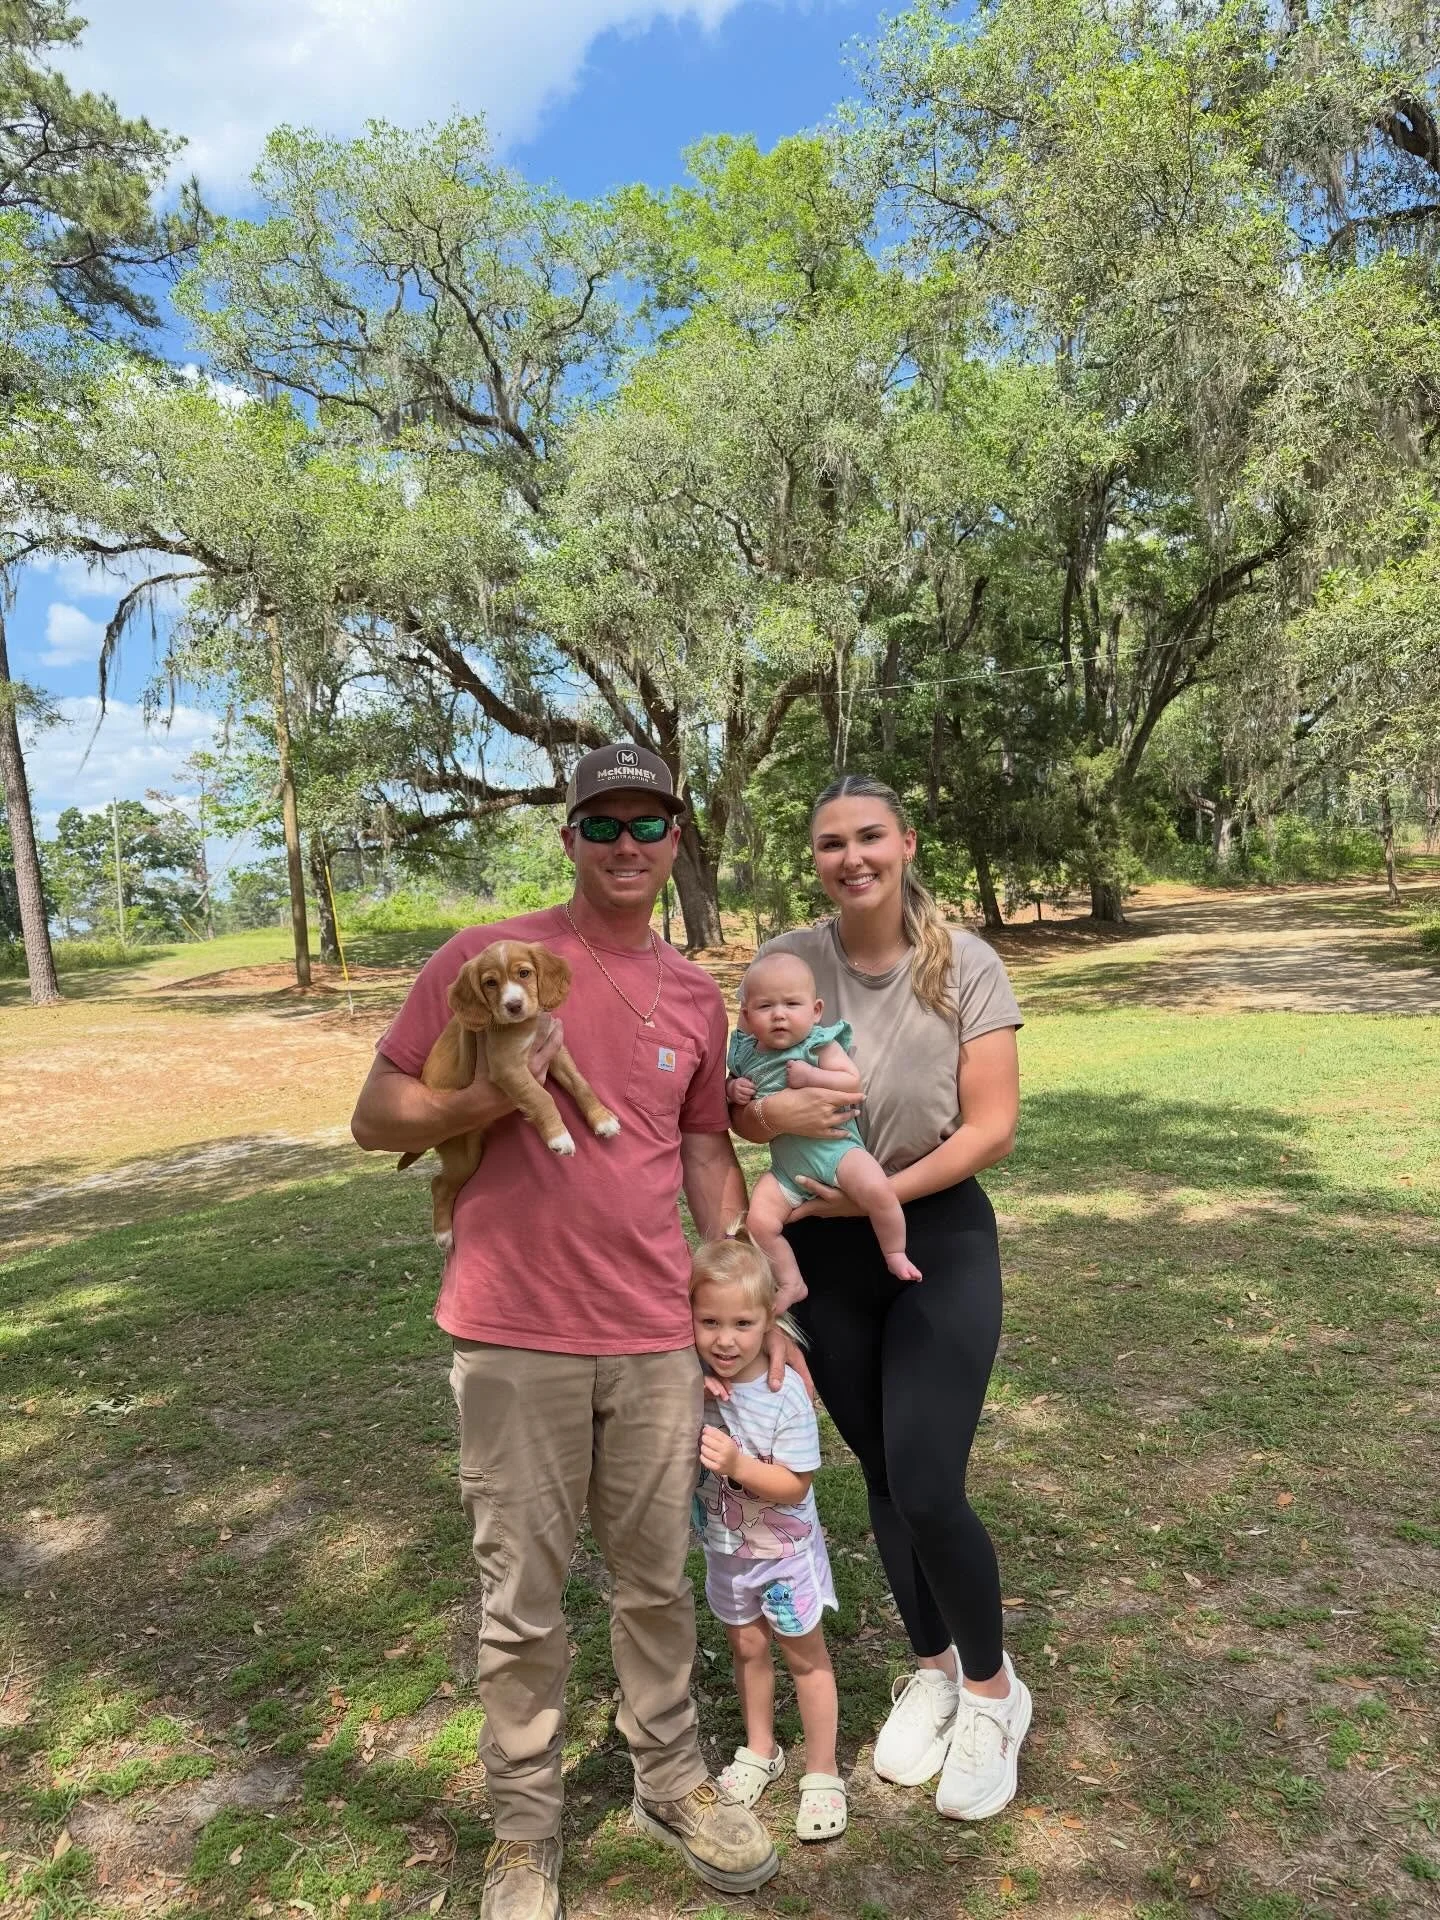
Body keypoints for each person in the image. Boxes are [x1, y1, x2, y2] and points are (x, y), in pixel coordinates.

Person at [351, 743, 778, 1920]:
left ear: (678, 840)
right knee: (521, 1595)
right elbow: (375, 1116)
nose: (628, 846)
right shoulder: (484, 963)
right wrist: (488, 1095)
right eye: (604, 826)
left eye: (650, 825)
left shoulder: (696, 995)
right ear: (570, 838)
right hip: (513, 1330)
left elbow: (700, 1147)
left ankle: (673, 1781)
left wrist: (744, 1278)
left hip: (650, 1333)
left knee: (653, 1581)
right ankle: (525, 1831)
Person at [730, 771, 1031, 1823]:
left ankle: (995, 1695)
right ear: (812, 860)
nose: (851, 857)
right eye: (829, 843)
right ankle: (933, 1667)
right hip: (829, 1250)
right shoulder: (791, 962)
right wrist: (764, 1121)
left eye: (869, 837)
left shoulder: (967, 965)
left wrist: (875, 1198)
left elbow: (990, 1128)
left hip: (934, 1234)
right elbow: (743, 1098)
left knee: (932, 1480)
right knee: (883, 1478)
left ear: (906, 843)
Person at [689, 1227, 847, 1843]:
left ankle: (823, 1771)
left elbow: (796, 1487)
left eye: (742, 1324)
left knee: (805, 1659)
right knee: (748, 1650)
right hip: (727, 1554)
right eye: (709, 1322)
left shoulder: (785, 1396)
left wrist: (739, 1468)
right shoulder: (697, 1383)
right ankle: (760, 1750)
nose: (724, 1340)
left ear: (768, 1324)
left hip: (784, 1558)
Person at [725, 950, 921, 1292]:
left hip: (838, 1152)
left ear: (816, 1011)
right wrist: (732, 1087)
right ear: (746, 1014)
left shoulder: (817, 1045)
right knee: (758, 1223)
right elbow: (730, 1094)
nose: (779, 1015)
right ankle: (791, 1281)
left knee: (878, 1189)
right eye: (765, 1007)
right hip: (787, 1168)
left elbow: (851, 1083)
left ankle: (895, 1251)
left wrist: (811, 1075)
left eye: (791, 1004)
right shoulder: (746, 1053)